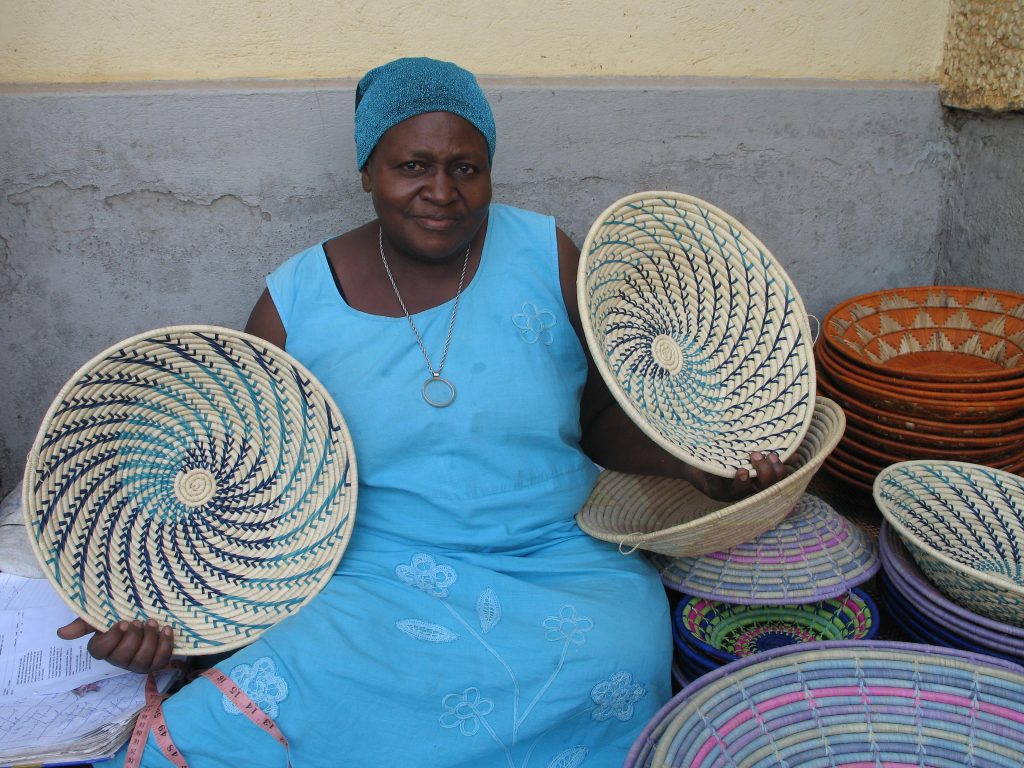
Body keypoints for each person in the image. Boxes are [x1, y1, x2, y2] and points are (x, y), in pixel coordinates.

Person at [58, 57, 789, 767]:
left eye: (465, 167)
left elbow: (599, 415)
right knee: (285, 687)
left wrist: (696, 466)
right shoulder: (295, 303)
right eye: (413, 166)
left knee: (621, 648)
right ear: (367, 175)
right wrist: (167, 615)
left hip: (553, 560)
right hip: (369, 576)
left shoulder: (547, 255)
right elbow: (241, 489)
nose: (442, 191)